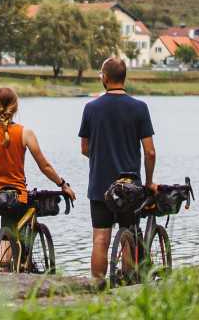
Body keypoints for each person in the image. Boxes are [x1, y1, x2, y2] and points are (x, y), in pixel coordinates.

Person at [0, 86, 75, 272]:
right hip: (15, 197)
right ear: (16, 107)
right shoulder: (25, 133)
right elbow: (44, 166)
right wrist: (62, 184)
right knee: (10, 244)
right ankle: (8, 276)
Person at [78, 56, 155, 282]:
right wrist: (148, 182)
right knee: (128, 235)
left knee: (100, 238)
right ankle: (129, 282)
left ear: (105, 78)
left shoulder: (91, 108)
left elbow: (84, 148)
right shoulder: (140, 108)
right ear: (124, 78)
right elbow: (150, 152)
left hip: (100, 186)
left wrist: (101, 156)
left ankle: (98, 285)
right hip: (130, 187)